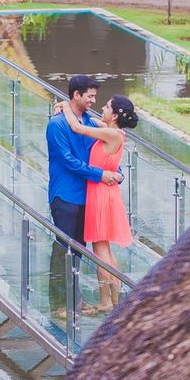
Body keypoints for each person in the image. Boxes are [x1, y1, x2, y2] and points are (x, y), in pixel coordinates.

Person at [46, 75, 123, 324]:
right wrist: (102, 175)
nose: (93, 100)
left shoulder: (89, 121)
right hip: (65, 195)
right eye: (89, 96)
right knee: (63, 250)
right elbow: (69, 161)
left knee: (78, 250)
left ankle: (75, 299)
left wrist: (114, 172)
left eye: (94, 96)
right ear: (76, 95)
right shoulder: (57, 125)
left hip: (87, 196)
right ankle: (59, 304)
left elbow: (109, 147)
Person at [54, 93, 136, 312]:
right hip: (103, 192)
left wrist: (64, 106)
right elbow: (86, 119)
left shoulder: (111, 133)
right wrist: (67, 105)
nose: (103, 107)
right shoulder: (112, 131)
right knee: (105, 249)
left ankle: (106, 301)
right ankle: (114, 299)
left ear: (116, 113)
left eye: (107, 106)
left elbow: (78, 127)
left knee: (100, 250)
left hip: (100, 194)